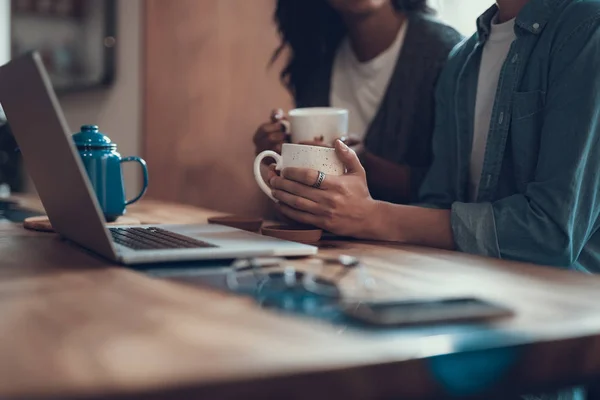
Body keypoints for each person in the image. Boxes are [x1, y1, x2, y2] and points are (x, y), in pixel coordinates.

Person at [270, 0, 600, 275]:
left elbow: (554, 234)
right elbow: (438, 203)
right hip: (467, 288)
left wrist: (374, 215)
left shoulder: (587, 27)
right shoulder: (461, 62)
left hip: (568, 315)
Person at [253, 0, 463, 204]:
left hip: (407, 238)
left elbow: (456, 191)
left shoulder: (445, 53)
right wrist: (283, 151)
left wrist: (368, 166)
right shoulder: (317, 57)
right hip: (324, 235)